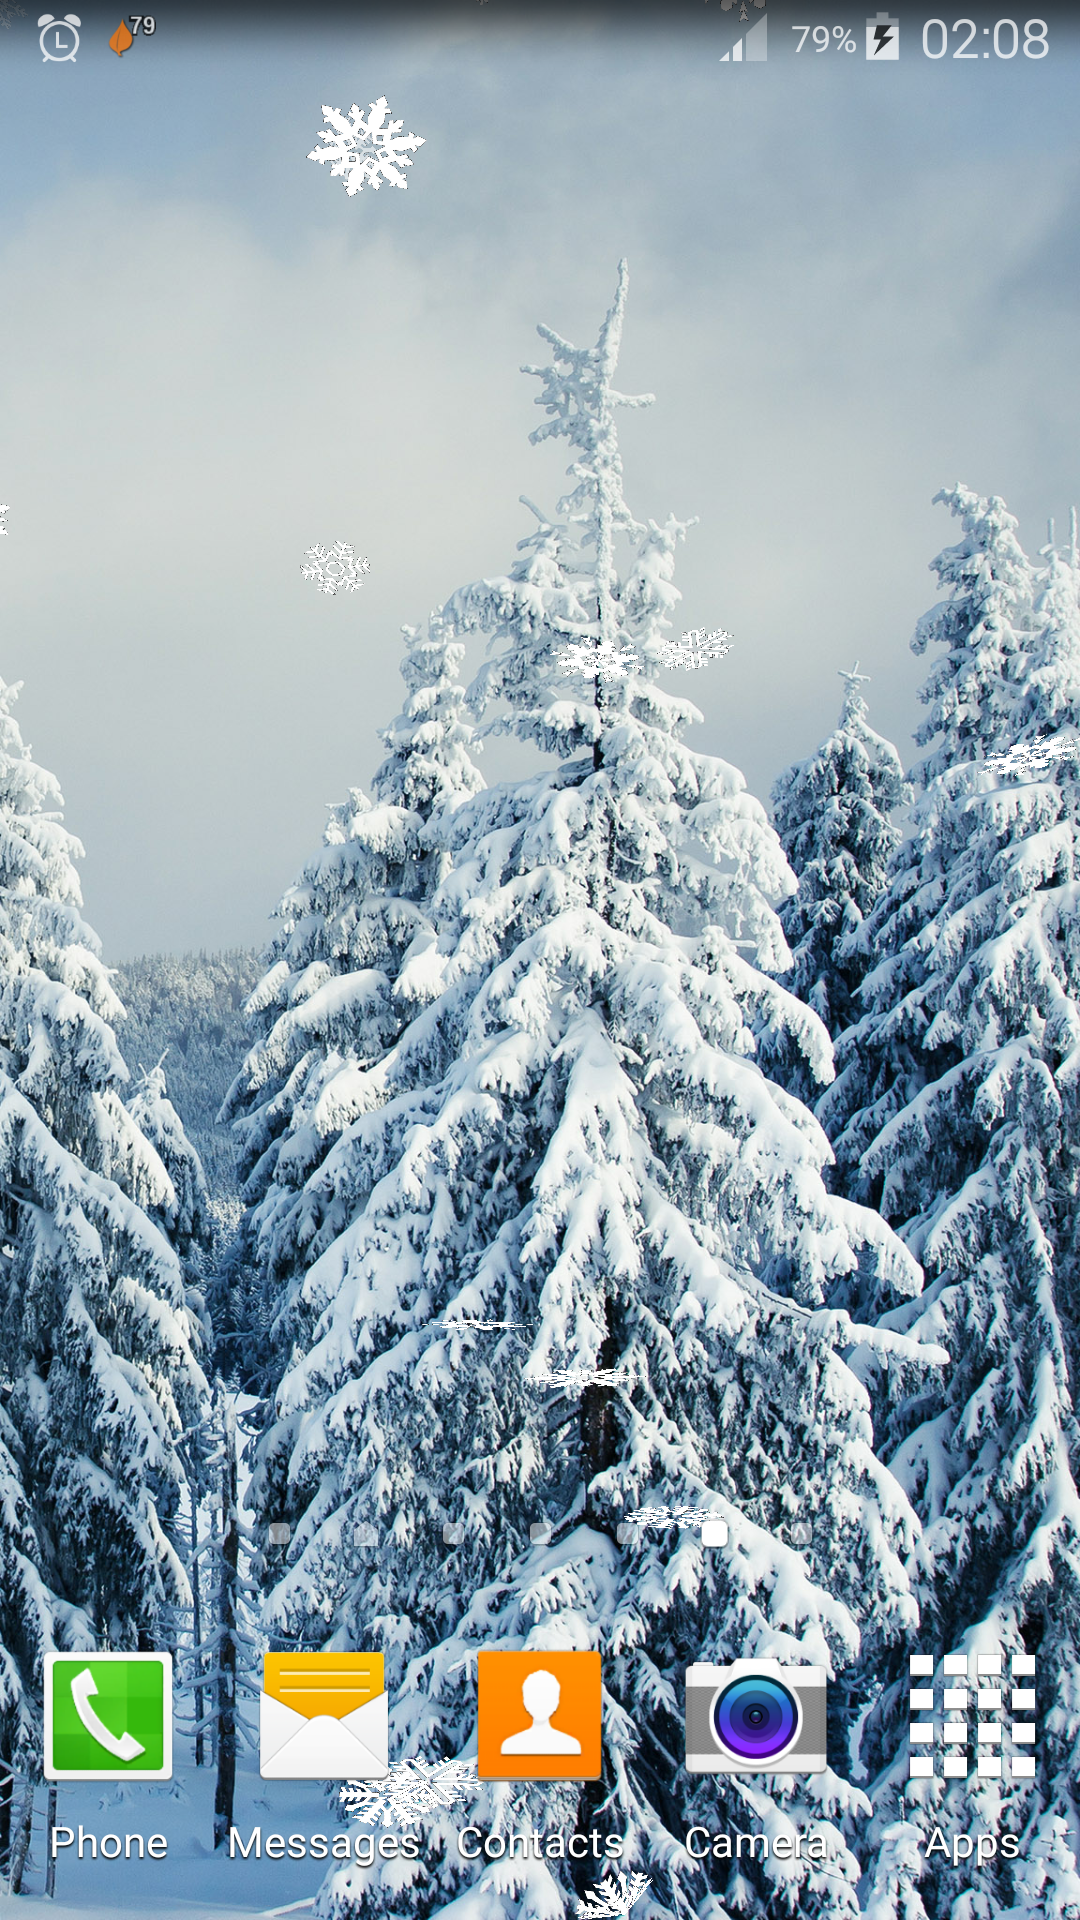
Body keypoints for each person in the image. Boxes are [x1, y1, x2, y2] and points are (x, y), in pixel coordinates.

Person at [500, 1668, 581, 1754]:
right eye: (534, 1697)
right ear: (525, 1702)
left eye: (546, 1697)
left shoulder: (571, 1746)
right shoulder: (510, 1746)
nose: (540, 1704)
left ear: (556, 1702)